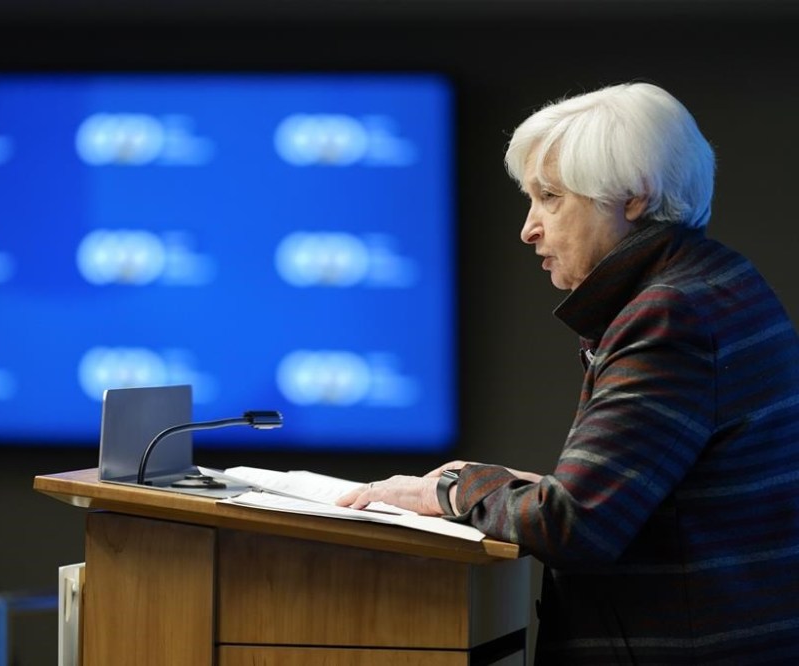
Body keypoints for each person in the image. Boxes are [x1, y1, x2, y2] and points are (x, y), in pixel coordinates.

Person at [337, 81, 799, 664]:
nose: (528, 229)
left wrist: (446, 491)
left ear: (634, 196)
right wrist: (517, 487)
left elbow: (574, 527)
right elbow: (660, 501)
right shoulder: (718, 282)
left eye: (550, 197)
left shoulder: (670, 314)